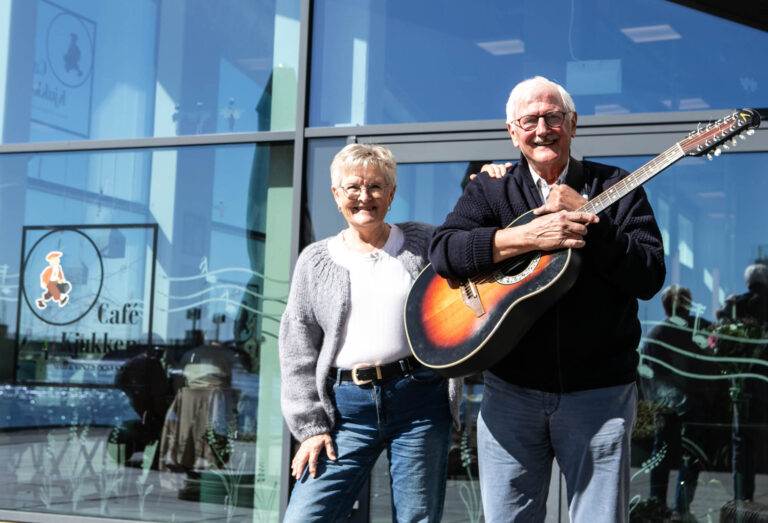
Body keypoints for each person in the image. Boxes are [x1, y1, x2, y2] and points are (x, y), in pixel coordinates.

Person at [428, 76, 666, 522]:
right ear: (512, 132)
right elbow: (444, 252)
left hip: (600, 394)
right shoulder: (490, 189)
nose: (542, 129)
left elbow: (649, 275)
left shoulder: (617, 185)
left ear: (572, 124)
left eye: (552, 117)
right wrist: (520, 238)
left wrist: (592, 221)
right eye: (529, 120)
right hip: (510, 393)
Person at [278, 143, 463, 522]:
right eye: (353, 188)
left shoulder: (424, 243)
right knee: (304, 517)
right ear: (336, 195)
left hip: (419, 402)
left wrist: (490, 179)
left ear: (392, 194)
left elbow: (473, 248)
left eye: (377, 187)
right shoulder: (314, 261)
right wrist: (310, 426)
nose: (365, 197)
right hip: (345, 411)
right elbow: (297, 347)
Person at [639, 285, 722, 519]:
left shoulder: (655, 334)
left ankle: (658, 505)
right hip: (692, 404)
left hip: (665, 404)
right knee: (689, 456)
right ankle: (680, 508)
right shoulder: (699, 328)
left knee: (662, 453)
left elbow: (650, 377)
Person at [716, 262, 768, 502]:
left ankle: (741, 496)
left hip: (742, 382)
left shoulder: (737, 302)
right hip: (763, 381)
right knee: (756, 439)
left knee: (740, 440)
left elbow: (721, 331)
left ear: (748, 282)